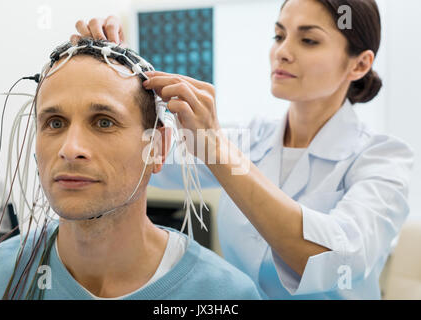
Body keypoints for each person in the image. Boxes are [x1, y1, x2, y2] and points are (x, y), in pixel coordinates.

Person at [75, 0, 415, 299]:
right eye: (279, 35)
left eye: (308, 40)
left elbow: (338, 258)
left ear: (359, 64)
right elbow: (146, 159)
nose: (283, 51)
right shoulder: (251, 138)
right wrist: (112, 73)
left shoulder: (382, 158)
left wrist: (219, 151)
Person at [0, 39, 262, 300]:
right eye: (55, 123)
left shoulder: (224, 295)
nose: (70, 149)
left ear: (157, 148)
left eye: (104, 122)